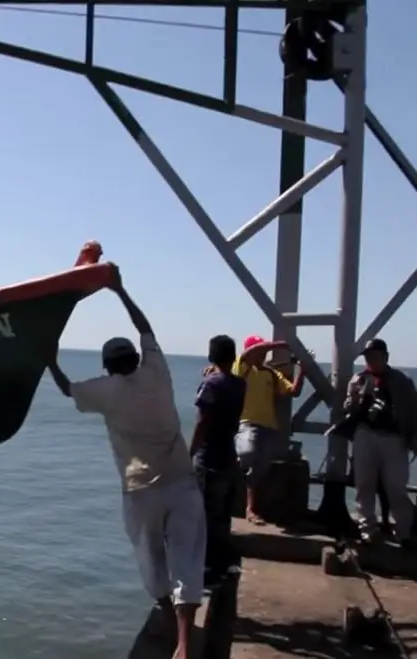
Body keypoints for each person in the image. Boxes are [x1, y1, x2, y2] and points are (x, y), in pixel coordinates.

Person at [46, 264, 204, 659]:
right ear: (137, 357)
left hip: (140, 490)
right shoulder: (158, 371)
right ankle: (185, 644)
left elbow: (67, 390)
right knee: (187, 557)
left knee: (151, 559)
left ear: (107, 368)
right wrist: (119, 291)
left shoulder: (107, 391)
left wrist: (48, 359)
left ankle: (166, 615)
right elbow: (145, 327)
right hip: (183, 481)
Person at [341, 338, 417, 549]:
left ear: (385, 357)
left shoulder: (402, 381)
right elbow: (348, 409)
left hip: (394, 437)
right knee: (364, 484)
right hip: (366, 434)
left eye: (374, 356)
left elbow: (412, 411)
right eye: (367, 357)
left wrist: (412, 438)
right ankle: (368, 530)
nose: (370, 361)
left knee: (396, 487)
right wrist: (355, 400)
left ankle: (404, 532)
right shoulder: (358, 379)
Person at [190, 335, 247, 587]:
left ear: (211, 355)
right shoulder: (240, 384)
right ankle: (223, 565)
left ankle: (208, 569)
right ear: (233, 357)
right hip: (228, 454)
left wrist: (189, 453)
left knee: (204, 514)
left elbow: (202, 422)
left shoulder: (210, 384)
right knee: (222, 515)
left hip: (209, 456)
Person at [232, 335, 306, 524]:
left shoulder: (272, 373)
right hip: (247, 423)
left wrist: (302, 369)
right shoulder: (242, 367)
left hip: (269, 427)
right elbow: (248, 354)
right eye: (261, 350)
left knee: (260, 470)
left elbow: (293, 391)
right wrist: (279, 344)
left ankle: (251, 509)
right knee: (248, 453)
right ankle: (235, 468)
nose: (264, 353)